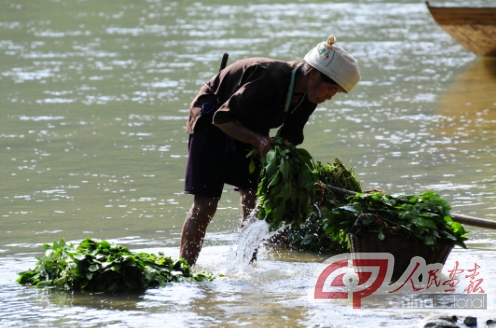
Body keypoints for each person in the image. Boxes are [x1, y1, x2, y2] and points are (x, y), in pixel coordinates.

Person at [180, 35, 360, 265]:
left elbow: (290, 136)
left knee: (254, 202)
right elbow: (222, 117)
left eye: (335, 92)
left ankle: (246, 266)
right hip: (212, 120)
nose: (329, 96)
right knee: (206, 204)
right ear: (312, 73)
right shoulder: (270, 77)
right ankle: (185, 268)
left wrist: (290, 169)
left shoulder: (309, 98)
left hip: (252, 127)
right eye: (330, 88)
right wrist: (260, 141)